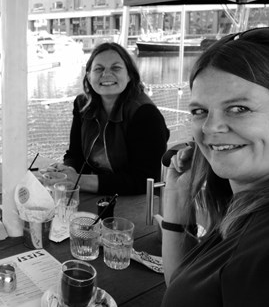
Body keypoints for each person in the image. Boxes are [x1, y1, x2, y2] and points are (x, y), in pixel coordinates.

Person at [161, 27, 269, 306]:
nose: (210, 127)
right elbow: (183, 287)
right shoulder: (241, 212)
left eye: (239, 108)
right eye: (200, 111)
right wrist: (178, 195)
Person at [52, 42, 169, 195]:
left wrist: (78, 180)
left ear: (129, 76)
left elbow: (144, 179)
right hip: (95, 192)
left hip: (138, 199)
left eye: (116, 68)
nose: (106, 74)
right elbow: (75, 154)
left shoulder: (145, 114)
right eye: (99, 68)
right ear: (88, 75)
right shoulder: (82, 105)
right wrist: (66, 171)